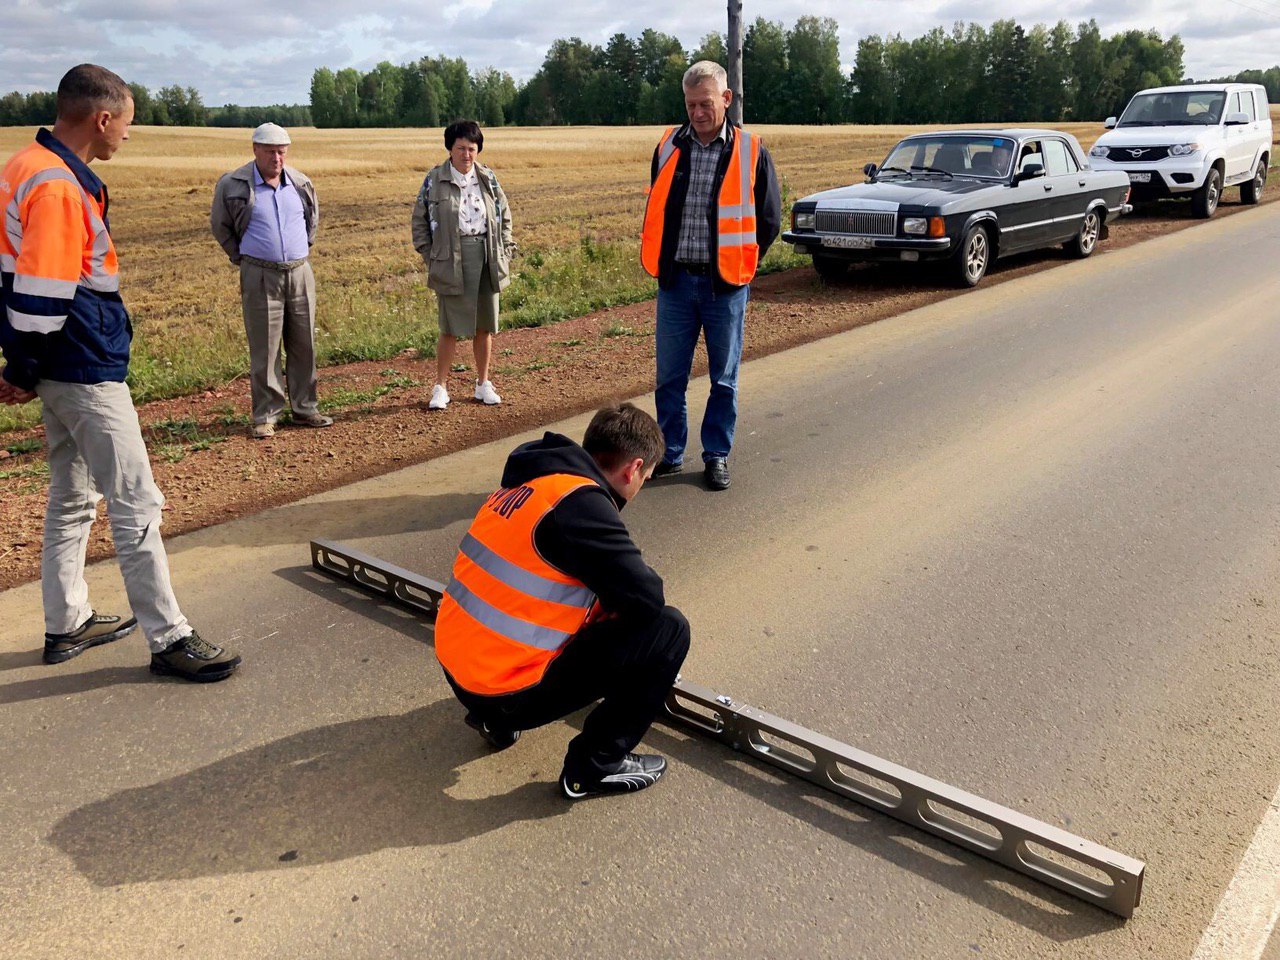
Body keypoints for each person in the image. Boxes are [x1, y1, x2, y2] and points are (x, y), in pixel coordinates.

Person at [0, 64, 240, 682]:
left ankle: (66, 621)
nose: (127, 136)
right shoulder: (56, 185)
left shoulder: (25, 164)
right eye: (126, 124)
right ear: (102, 119)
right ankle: (170, 637)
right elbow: (44, 293)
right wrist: (24, 366)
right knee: (136, 500)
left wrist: (27, 367)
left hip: (58, 367)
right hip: (80, 365)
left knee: (72, 498)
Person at [435, 402, 690, 800]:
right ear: (632, 468)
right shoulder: (581, 506)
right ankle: (595, 768)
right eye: (647, 477)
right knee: (668, 630)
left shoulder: (530, 483)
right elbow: (647, 599)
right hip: (504, 693)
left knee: (581, 604)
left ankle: (493, 722)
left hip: (457, 670)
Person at [641, 60, 781, 491]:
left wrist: (742, 262)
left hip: (726, 287)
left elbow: (769, 218)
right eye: (690, 105)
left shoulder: (751, 150)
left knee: (723, 378)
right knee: (669, 378)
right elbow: (660, 210)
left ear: (726, 98)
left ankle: (716, 454)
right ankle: (670, 454)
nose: (697, 113)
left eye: (705, 103)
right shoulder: (668, 145)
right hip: (677, 284)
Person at [211, 122, 331, 439]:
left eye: (281, 151)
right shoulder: (233, 184)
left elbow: (312, 221)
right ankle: (266, 415)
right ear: (255, 150)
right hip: (259, 273)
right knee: (265, 349)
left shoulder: (301, 183)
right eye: (269, 151)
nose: (276, 158)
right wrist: (243, 257)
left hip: (299, 272)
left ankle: (306, 408)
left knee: (304, 344)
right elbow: (220, 227)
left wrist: (300, 250)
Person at [411, 119, 514, 411]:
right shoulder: (434, 179)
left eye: (472, 148)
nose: (466, 154)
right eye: (460, 148)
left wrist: (504, 250)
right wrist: (430, 256)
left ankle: (483, 384)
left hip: (487, 256)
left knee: (485, 325)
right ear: (450, 149)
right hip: (450, 258)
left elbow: (504, 215)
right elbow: (419, 222)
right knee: (450, 327)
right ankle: (441, 387)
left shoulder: (489, 178)